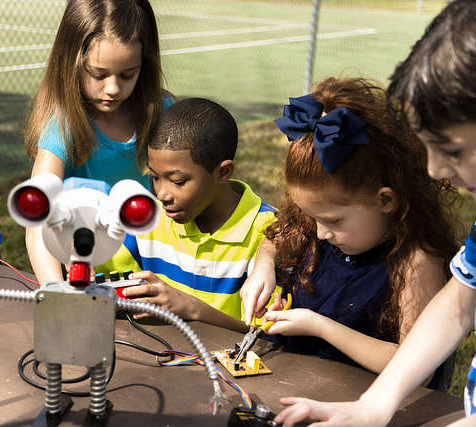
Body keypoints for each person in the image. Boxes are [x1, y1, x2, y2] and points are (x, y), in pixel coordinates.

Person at [268, 1, 476, 425]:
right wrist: (373, 406)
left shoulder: (413, 257)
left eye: (451, 150)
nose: (435, 170)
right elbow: (460, 301)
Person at [238, 77, 459, 375]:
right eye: (312, 217)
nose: (320, 233)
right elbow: (275, 242)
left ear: (386, 201)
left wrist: (318, 326)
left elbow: (417, 364)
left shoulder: (416, 263)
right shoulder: (321, 228)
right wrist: (263, 267)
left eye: (333, 221)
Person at [23, 0, 173, 284]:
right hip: (86, 272)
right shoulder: (62, 127)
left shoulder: (161, 112)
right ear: (71, 63)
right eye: (98, 74)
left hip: (157, 268)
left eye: (128, 74)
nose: (113, 88)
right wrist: (56, 291)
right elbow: (38, 222)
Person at [96, 97, 278, 332]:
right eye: (154, 177)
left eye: (178, 181)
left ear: (223, 172)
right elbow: (99, 278)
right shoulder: (149, 218)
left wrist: (193, 309)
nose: (162, 194)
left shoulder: (270, 233)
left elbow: (268, 338)